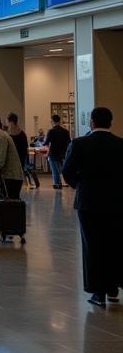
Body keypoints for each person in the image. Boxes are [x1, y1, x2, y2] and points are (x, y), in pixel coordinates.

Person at [62, 107, 123, 306]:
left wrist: (80, 185)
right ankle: (113, 289)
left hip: (88, 202)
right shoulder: (120, 144)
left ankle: (98, 293)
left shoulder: (80, 143)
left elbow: (67, 170)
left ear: (92, 122)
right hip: (116, 202)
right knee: (114, 244)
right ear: (110, 122)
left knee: (92, 246)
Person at [0, 115, 25, 201]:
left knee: (10, 207)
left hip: (11, 178)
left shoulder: (1, 137)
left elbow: (0, 161)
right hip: (9, 177)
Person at [6, 112, 39, 188]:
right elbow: (25, 148)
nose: (7, 123)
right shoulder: (22, 133)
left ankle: (24, 184)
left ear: (11, 122)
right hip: (20, 158)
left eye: (7, 121)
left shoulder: (8, 134)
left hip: (15, 159)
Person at [45, 113, 71, 190]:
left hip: (53, 153)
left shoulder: (51, 131)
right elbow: (69, 142)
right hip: (62, 154)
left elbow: (46, 142)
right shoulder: (65, 131)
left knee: (54, 171)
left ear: (52, 121)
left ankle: (57, 184)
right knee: (61, 170)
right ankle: (65, 182)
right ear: (59, 121)